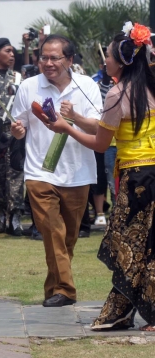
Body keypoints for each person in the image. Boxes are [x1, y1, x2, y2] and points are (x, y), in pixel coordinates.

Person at [46, 23, 155, 331]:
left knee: (129, 247)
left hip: (136, 180)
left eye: (107, 56)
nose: (104, 61)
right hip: (152, 174)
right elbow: (109, 127)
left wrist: (67, 128)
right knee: (149, 244)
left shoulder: (119, 93)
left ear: (120, 62)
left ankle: (129, 311)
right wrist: (78, 118)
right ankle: (125, 312)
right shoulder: (150, 86)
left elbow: (101, 143)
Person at [11, 34, 102, 307]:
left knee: (67, 238)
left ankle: (54, 289)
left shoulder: (86, 86)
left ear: (70, 60)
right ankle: (66, 290)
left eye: (55, 58)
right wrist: (17, 131)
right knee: (51, 231)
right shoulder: (29, 86)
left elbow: (98, 129)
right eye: (43, 57)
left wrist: (74, 118)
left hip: (77, 172)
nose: (48, 63)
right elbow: (18, 126)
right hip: (39, 173)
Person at [0, 37, 24, 236]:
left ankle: (15, 219)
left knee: (16, 175)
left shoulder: (18, 78)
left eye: (12, 51)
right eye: (7, 51)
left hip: (15, 133)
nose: (12, 54)